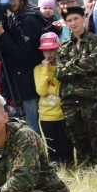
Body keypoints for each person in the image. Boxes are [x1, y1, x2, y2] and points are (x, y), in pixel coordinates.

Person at [55, 4, 97, 165]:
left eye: (76, 18)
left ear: (83, 18)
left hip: (91, 97)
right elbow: (59, 73)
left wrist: (70, 66)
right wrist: (82, 66)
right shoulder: (63, 46)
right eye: (69, 20)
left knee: (96, 135)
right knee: (77, 136)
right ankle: (85, 170)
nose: (73, 22)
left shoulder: (95, 40)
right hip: (70, 100)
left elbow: (96, 63)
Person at [32, 31, 69, 164]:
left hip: (63, 114)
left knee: (66, 147)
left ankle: (70, 171)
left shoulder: (63, 67)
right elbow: (41, 91)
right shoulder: (38, 69)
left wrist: (51, 89)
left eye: (52, 50)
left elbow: (63, 90)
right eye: (45, 50)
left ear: (58, 48)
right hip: (47, 115)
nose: (49, 54)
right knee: (52, 149)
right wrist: (45, 70)